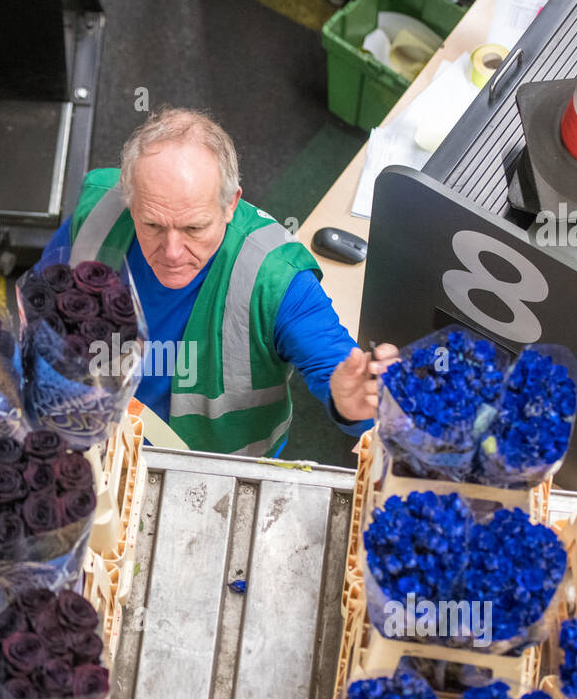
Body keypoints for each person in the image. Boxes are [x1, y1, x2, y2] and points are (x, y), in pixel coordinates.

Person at [46, 107, 398, 456]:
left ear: (231, 204)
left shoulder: (275, 278)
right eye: (152, 225)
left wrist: (350, 403)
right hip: (97, 431)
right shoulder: (99, 210)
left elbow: (334, 364)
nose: (171, 252)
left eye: (194, 228)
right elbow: (45, 304)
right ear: (130, 197)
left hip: (207, 472)